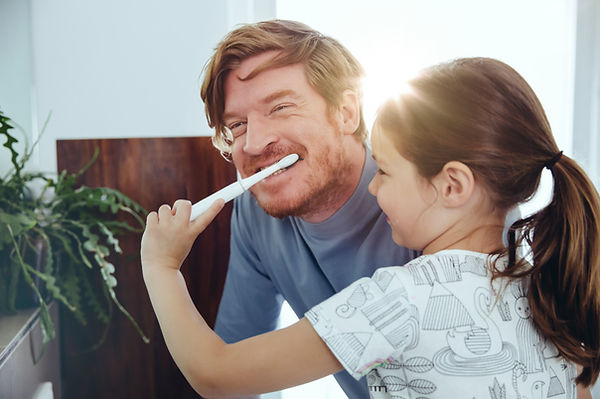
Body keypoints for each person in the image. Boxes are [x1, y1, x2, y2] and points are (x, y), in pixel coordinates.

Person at [141, 57, 600, 398]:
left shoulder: (396, 298)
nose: (374, 189)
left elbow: (216, 373)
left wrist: (162, 267)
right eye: (237, 124)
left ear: (453, 185)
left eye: (385, 171)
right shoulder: (545, 287)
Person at [199, 19, 417, 398]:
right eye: (237, 125)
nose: (252, 143)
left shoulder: (428, 197)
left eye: (281, 107)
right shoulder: (256, 213)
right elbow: (237, 371)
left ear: (347, 112)